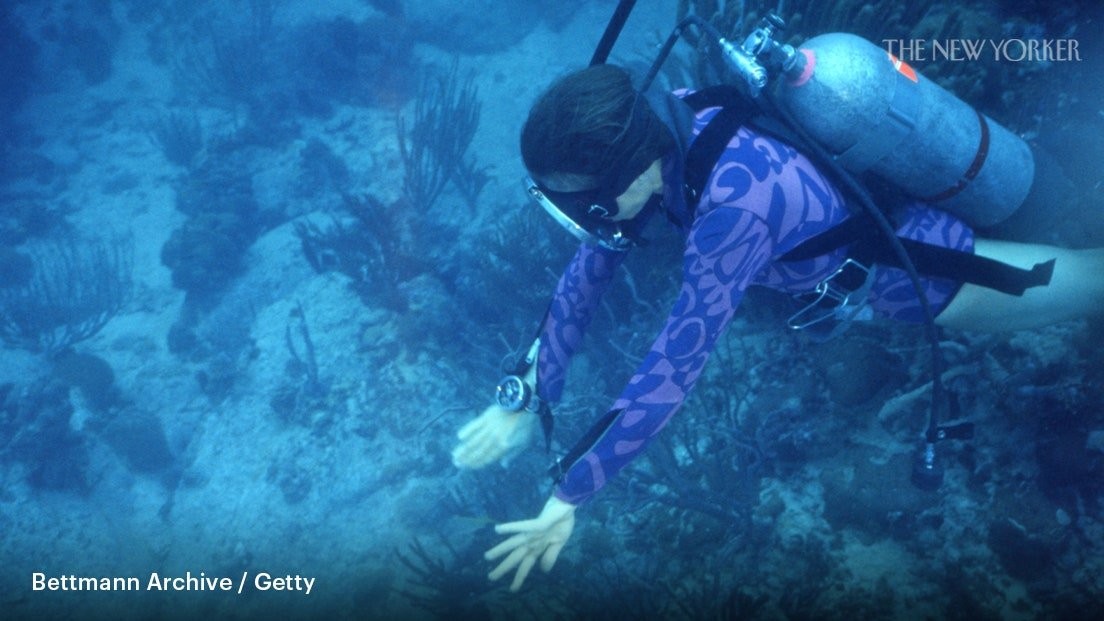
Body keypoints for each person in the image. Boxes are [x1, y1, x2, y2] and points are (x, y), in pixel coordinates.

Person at [451, 63, 1104, 592]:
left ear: (627, 173)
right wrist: (528, 389)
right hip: (864, 232)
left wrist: (570, 493)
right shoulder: (662, 121)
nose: (584, 221)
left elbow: (675, 364)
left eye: (584, 204)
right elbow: (591, 265)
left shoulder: (728, 215)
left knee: (1081, 284)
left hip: (913, 268)